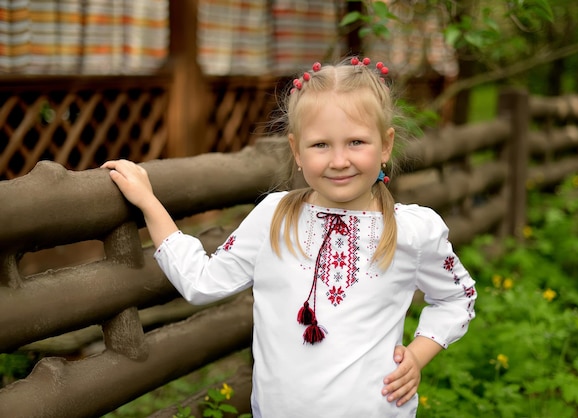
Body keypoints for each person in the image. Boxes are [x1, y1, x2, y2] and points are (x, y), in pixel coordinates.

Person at [101, 56, 476, 417]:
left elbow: (458, 297)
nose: (339, 160)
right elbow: (202, 281)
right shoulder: (274, 218)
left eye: (356, 142)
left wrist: (418, 353)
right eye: (320, 145)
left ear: (386, 145)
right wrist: (150, 203)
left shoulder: (414, 230)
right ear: (296, 150)